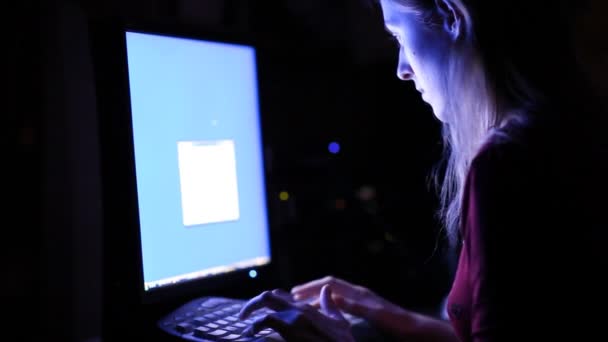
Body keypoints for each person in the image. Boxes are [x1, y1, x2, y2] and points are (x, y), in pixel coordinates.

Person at [238, 0, 608, 340]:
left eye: (399, 35)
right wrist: (385, 312)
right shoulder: (569, 127)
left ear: (451, 17)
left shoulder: (509, 161)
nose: (401, 69)